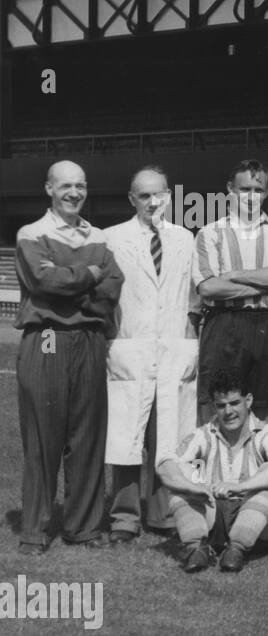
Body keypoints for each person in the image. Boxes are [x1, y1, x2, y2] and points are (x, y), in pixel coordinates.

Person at [14, 160, 124, 554]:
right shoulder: (33, 233)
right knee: (44, 435)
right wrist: (90, 275)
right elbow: (44, 282)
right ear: (49, 189)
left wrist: (76, 282)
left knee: (87, 436)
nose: (73, 193)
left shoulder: (99, 237)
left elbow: (112, 286)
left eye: (80, 185)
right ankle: (35, 530)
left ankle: (84, 527)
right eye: (65, 186)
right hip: (46, 337)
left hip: (90, 337)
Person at [103, 164, 199, 543]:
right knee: (126, 437)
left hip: (174, 348)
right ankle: (124, 518)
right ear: (131, 199)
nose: (152, 201)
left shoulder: (186, 238)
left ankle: (164, 514)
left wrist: (188, 336)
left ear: (169, 196)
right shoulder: (111, 238)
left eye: (158, 193)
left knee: (169, 437)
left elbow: (195, 298)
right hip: (131, 349)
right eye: (143, 195)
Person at [156, 369, 268, 573]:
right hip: (215, 515)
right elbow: (165, 465)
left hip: (257, 524)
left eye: (234, 403)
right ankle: (196, 549)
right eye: (221, 406)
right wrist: (194, 487)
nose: (228, 412)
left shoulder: (266, 434)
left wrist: (240, 487)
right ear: (214, 406)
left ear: (248, 401)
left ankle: (237, 549)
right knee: (179, 479)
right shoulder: (204, 434)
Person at [193, 159, 268, 427]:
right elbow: (208, 287)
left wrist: (234, 275)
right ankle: (209, 468)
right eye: (245, 189)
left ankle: (265, 467)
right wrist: (265, 281)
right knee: (218, 407)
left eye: (258, 190)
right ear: (230, 189)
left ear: (267, 192)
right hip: (225, 324)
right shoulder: (209, 233)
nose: (252, 197)